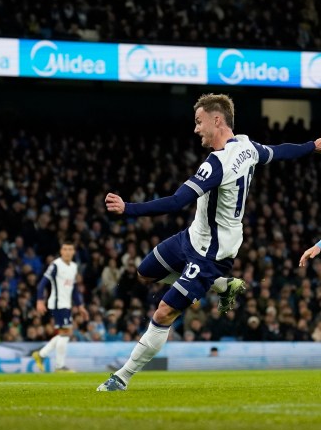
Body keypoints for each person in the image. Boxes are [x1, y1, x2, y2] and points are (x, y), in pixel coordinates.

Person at [97, 93, 321, 392]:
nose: (196, 129)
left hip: (211, 255)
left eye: (199, 122)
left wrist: (129, 209)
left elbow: (178, 201)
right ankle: (221, 285)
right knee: (144, 273)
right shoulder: (247, 146)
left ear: (217, 120)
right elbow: (279, 151)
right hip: (192, 238)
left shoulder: (217, 163)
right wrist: (313, 146)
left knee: (164, 312)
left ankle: (121, 378)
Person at [31, 241, 89, 372]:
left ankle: (40, 355)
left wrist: (80, 306)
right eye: (65, 249)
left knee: (66, 333)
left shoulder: (74, 266)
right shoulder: (56, 265)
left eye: (70, 249)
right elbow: (42, 284)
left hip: (66, 305)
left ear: (73, 252)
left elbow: (73, 288)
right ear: (61, 251)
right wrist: (40, 301)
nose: (68, 252)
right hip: (57, 304)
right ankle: (59, 366)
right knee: (65, 334)